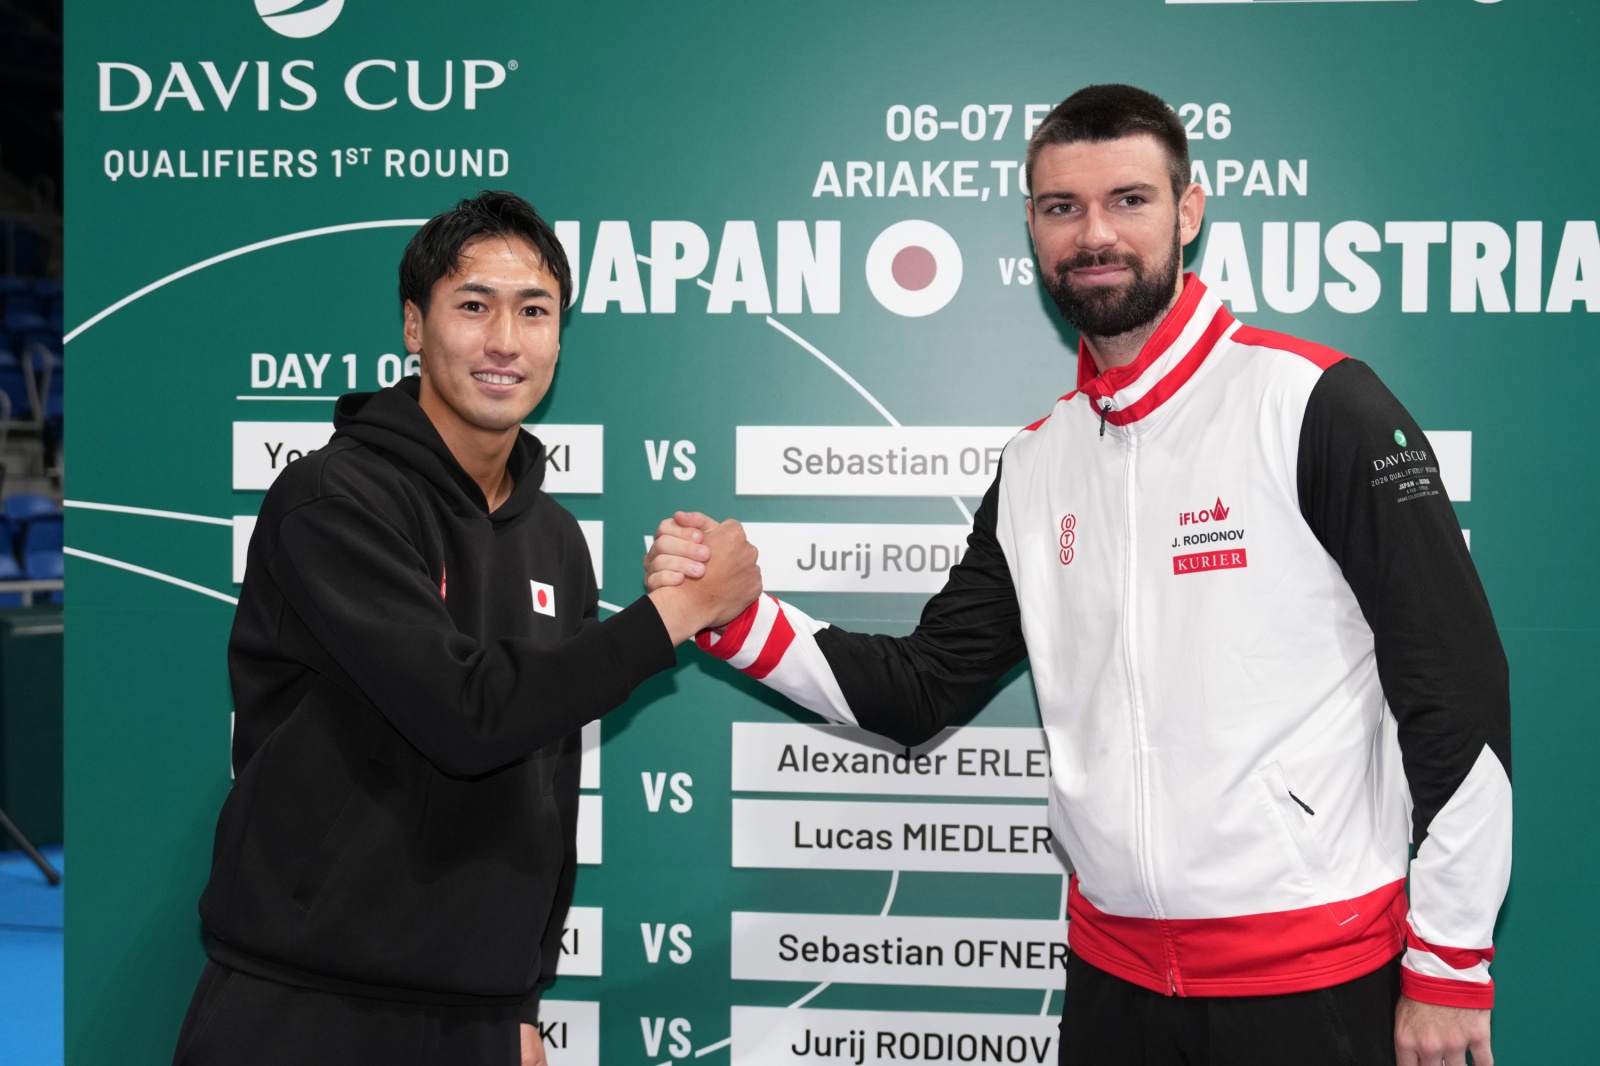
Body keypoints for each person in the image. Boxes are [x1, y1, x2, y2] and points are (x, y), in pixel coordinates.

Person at [646, 85, 1509, 1066]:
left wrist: (1450, 962)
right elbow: (921, 688)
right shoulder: (1035, 464)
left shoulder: (1317, 402)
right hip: (1114, 988)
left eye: (1128, 200)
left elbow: (1456, 689)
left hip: (1315, 983)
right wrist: (733, 616)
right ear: (1031, 226)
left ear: (1188, 211)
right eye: (1063, 207)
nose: (1094, 234)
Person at [174, 191, 761, 1066]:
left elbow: (551, 778)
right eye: (474, 306)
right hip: (304, 1001)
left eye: (534, 311)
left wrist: (520, 997)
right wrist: (679, 612)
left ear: (559, 337)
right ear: (415, 326)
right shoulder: (332, 499)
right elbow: (465, 714)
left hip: (478, 1014)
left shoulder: (556, 537)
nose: (505, 341)